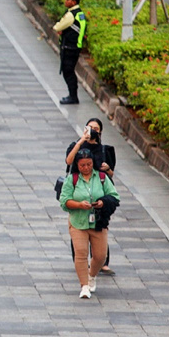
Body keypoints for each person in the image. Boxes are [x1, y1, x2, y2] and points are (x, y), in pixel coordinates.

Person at [59, 148, 119, 298]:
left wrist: (102, 202)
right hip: (78, 221)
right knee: (80, 252)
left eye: (89, 164)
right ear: (77, 166)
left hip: (98, 222)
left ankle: (92, 275)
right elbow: (64, 201)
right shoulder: (71, 180)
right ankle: (84, 286)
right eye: (82, 165)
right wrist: (79, 205)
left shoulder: (101, 177)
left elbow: (114, 196)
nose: (86, 168)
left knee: (100, 255)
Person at [66, 117, 117, 274]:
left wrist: (107, 169)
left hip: (98, 194)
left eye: (95, 128)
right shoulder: (76, 145)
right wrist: (81, 141)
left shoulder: (105, 150)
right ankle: (80, 259)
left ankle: (102, 261)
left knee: (101, 225)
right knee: (78, 225)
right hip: (79, 192)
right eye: (89, 127)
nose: (92, 130)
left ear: (100, 132)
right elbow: (69, 161)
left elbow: (111, 174)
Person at [53, 0, 87, 104]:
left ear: (73, 2)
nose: (65, 1)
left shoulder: (71, 15)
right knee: (70, 71)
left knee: (68, 72)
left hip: (69, 47)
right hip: (75, 46)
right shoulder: (79, 13)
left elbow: (58, 27)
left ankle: (73, 97)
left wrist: (60, 29)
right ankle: (72, 95)